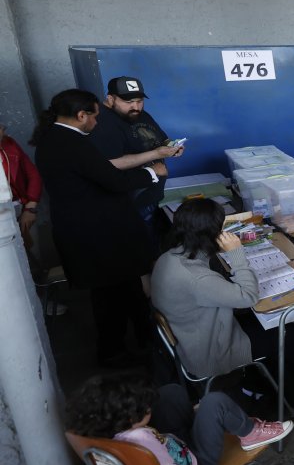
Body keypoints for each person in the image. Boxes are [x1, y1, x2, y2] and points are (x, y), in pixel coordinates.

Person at [151, 198, 294, 405]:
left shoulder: (169, 257)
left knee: (276, 325)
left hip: (198, 335)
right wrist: (236, 253)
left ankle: (273, 379)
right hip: (215, 350)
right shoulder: (197, 279)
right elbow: (248, 297)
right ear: (209, 234)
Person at [32, 89, 163, 367]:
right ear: (81, 116)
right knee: (110, 298)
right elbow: (111, 179)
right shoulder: (73, 143)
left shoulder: (53, 139)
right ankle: (118, 350)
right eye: (95, 116)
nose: (97, 122)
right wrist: (152, 172)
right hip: (99, 235)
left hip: (88, 231)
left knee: (121, 291)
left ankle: (141, 340)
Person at [66, 375, 293, 465]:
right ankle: (250, 433)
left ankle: (199, 421)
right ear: (124, 420)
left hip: (171, 453)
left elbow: (71, 434)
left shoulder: (102, 435)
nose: (146, 406)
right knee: (215, 402)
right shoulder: (141, 444)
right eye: (139, 409)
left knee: (170, 393)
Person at [90, 77, 183, 229]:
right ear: (111, 99)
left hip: (151, 194)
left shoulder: (139, 114)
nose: (136, 107)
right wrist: (156, 154)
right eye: (128, 102)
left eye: (139, 101)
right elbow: (108, 163)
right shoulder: (102, 122)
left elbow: (160, 139)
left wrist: (172, 147)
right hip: (128, 203)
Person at [1, 119, 42, 255]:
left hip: (20, 208)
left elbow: (33, 174)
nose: (3, 130)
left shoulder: (9, 144)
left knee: (29, 250)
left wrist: (30, 206)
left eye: (1, 126)